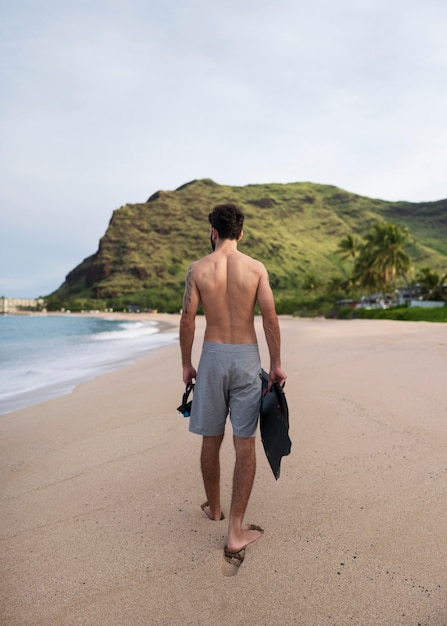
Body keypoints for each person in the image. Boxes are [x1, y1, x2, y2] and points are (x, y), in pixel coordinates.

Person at [179, 202, 286, 562]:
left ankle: (214, 509)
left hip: (211, 358)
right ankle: (236, 530)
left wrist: (186, 365)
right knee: (245, 445)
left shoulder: (198, 269)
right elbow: (270, 319)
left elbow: (188, 320)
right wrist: (276, 365)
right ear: (241, 233)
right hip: (245, 358)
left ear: (213, 232)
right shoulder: (255, 269)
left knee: (212, 438)